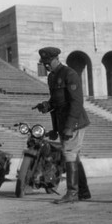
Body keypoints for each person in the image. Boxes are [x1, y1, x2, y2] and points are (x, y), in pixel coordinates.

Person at [35, 47, 91, 204]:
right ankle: (83, 192)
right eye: (43, 63)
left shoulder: (69, 74)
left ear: (56, 59)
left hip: (74, 122)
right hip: (63, 122)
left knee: (69, 153)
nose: (45, 66)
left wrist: (69, 126)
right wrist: (46, 105)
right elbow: (56, 102)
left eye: (48, 62)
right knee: (73, 156)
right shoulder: (52, 77)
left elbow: (77, 102)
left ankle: (72, 193)